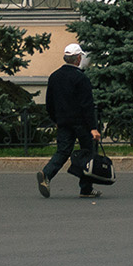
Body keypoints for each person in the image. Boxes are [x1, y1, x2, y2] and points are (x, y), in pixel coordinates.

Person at [38, 43, 100, 199]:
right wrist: (93, 128)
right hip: (81, 123)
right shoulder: (81, 78)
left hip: (63, 122)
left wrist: (55, 119)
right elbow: (87, 105)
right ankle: (86, 189)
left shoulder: (54, 76)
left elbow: (49, 103)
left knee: (63, 151)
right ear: (78, 58)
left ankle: (46, 174)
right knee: (88, 153)